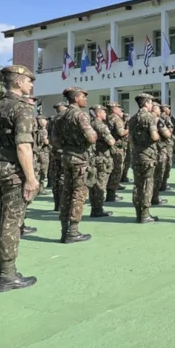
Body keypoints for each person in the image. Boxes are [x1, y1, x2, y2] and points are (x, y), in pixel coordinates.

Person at [0, 65, 39, 291]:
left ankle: (1, 271)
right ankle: (7, 275)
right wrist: (31, 178)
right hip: (13, 170)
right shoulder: (22, 108)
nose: (31, 84)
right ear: (18, 82)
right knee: (11, 222)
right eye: (28, 80)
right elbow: (23, 146)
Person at [53, 87, 98, 243]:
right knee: (79, 193)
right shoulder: (80, 115)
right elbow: (91, 137)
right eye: (83, 97)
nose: (85, 99)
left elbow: (54, 140)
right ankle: (73, 231)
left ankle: (64, 230)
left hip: (66, 156)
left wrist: (66, 147)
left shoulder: (60, 116)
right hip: (80, 157)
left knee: (67, 193)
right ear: (76, 98)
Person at [128, 94, 161, 222]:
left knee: (137, 184)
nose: (152, 105)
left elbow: (130, 139)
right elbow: (154, 136)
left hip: (137, 155)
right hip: (148, 155)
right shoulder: (150, 117)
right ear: (146, 103)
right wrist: (158, 136)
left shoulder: (132, 119)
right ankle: (145, 214)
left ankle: (138, 212)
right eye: (151, 102)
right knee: (147, 184)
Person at [88, 105, 115, 218]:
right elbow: (111, 141)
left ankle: (95, 208)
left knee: (93, 184)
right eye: (104, 112)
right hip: (102, 158)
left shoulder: (89, 124)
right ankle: (98, 209)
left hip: (92, 158)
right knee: (100, 185)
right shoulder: (100, 125)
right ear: (98, 113)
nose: (105, 114)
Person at [105, 102, 128, 205]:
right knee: (117, 170)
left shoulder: (106, 118)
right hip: (117, 147)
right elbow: (121, 133)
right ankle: (111, 195)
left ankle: (109, 192)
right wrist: (128, 129)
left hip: (108, 147)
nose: (120, 110)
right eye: (118, 108)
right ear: (114, 109)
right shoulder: (116, 118)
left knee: (110, 169)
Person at [150, 103, 171, 207]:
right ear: (154, 109)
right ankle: (154, 197)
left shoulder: (138, 119)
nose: (160, 110)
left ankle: (147, 198)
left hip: (146, 151)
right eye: (158, 108)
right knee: (158, 175)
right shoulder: (157, 120)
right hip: (158, 150)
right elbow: (167, 134)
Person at [50, 102, 69, 212]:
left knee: (56, 179)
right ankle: (62, 204)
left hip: (55, 152)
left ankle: (57, 204)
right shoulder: (65, 119)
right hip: (64, 152)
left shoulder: (53, 120)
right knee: (63, 178)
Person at [159, 104, 175, 191]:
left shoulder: (156, 117)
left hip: (159, 145)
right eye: (168, 108)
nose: (169, 110)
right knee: (167, 165)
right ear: (165, 109)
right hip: (166, 144)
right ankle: (163, 184)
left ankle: (161, 184)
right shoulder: (166, 117)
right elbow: (170, 130)